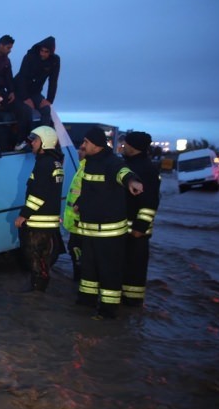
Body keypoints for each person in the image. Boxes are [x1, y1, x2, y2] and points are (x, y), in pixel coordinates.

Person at [75, 127, 143, 319]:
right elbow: (90, 189)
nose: (82, 145)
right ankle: (86, 301)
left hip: (109, 233)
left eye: (86, 142)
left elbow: (123, 172)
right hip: (89, 230)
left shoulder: (111, 161)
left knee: (109, 271)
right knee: (88, 269)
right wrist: (81, 203)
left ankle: (108, 310)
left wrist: (132, 182)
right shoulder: (89, 162)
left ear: (95, 145)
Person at [14, 126, 64, 292]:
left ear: (45, 142)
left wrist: (23, 215)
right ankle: (38, 292)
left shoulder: (45, 164)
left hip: (39, 223)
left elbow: (38, 195)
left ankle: (37, 293)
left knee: (36, 260)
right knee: (42, 260)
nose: (32, 143)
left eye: (35, 140)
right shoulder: (54, 162)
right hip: (47, 222)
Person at [121, 131, 161, 306]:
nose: (123, 146)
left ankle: (133, 305)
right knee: (123, 269)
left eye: (126, 144)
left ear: (133, 147)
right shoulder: (127, 165)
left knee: (134, 272)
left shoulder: (147, 169)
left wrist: (140, 226)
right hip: (123, 229)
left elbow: (151, 201)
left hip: (137, 233)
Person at [13, 36, 61, 150]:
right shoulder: (30, 57)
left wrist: (49, 99)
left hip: (35, 92)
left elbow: (53, 81)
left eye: (46, 52)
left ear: (51, 52)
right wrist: (25, 98)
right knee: (26, 111)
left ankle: (42, 138)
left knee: (45, 110)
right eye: (42, 51)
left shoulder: (55, 61)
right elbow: (22, 77)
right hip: (20, 89)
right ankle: (23, 141)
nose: (43, 54)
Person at [63, 144, 86, 282]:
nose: (79, 151)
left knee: (78, 254)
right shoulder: (82, 167)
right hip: (76, 223)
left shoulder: (88, 169)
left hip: (82, 224)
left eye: (83, 149)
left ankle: (81, 283)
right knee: (74, 251)